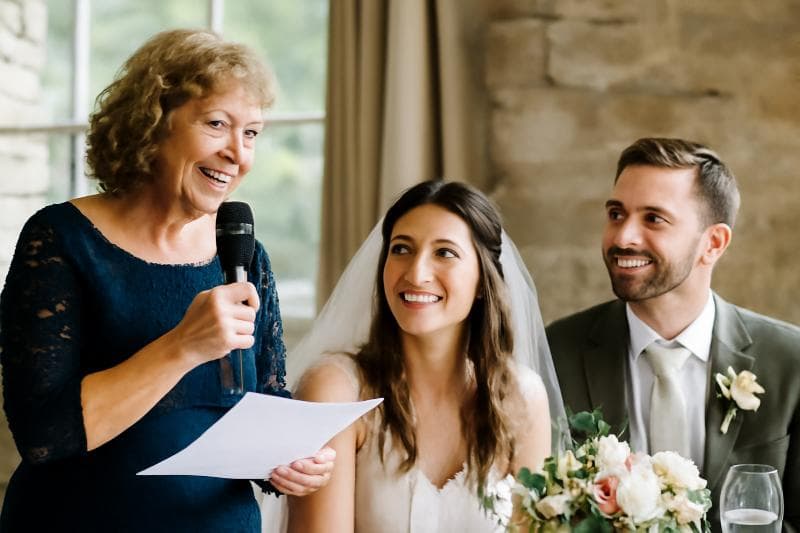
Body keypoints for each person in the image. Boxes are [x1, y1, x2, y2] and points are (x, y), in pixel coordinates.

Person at [0, 29, 334, 532]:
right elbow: (45, 434)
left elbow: (263, 402)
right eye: (217, 124)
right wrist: (182, 346)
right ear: (151, 124)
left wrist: (290, 462)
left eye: (252, 134)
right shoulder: (60, 239)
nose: (237, 155)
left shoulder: (245, 255)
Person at [546, 137, 800, 530]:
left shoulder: (790, 361)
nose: (623, 237)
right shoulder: (556, 353)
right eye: (616, 214)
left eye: (653, 219)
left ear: (713, 243)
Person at [283, 180, 566, 532]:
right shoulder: (336, 389)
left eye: (444, 253)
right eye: (401, 249)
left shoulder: (522, 397)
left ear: (483, 280)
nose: (416, 274)